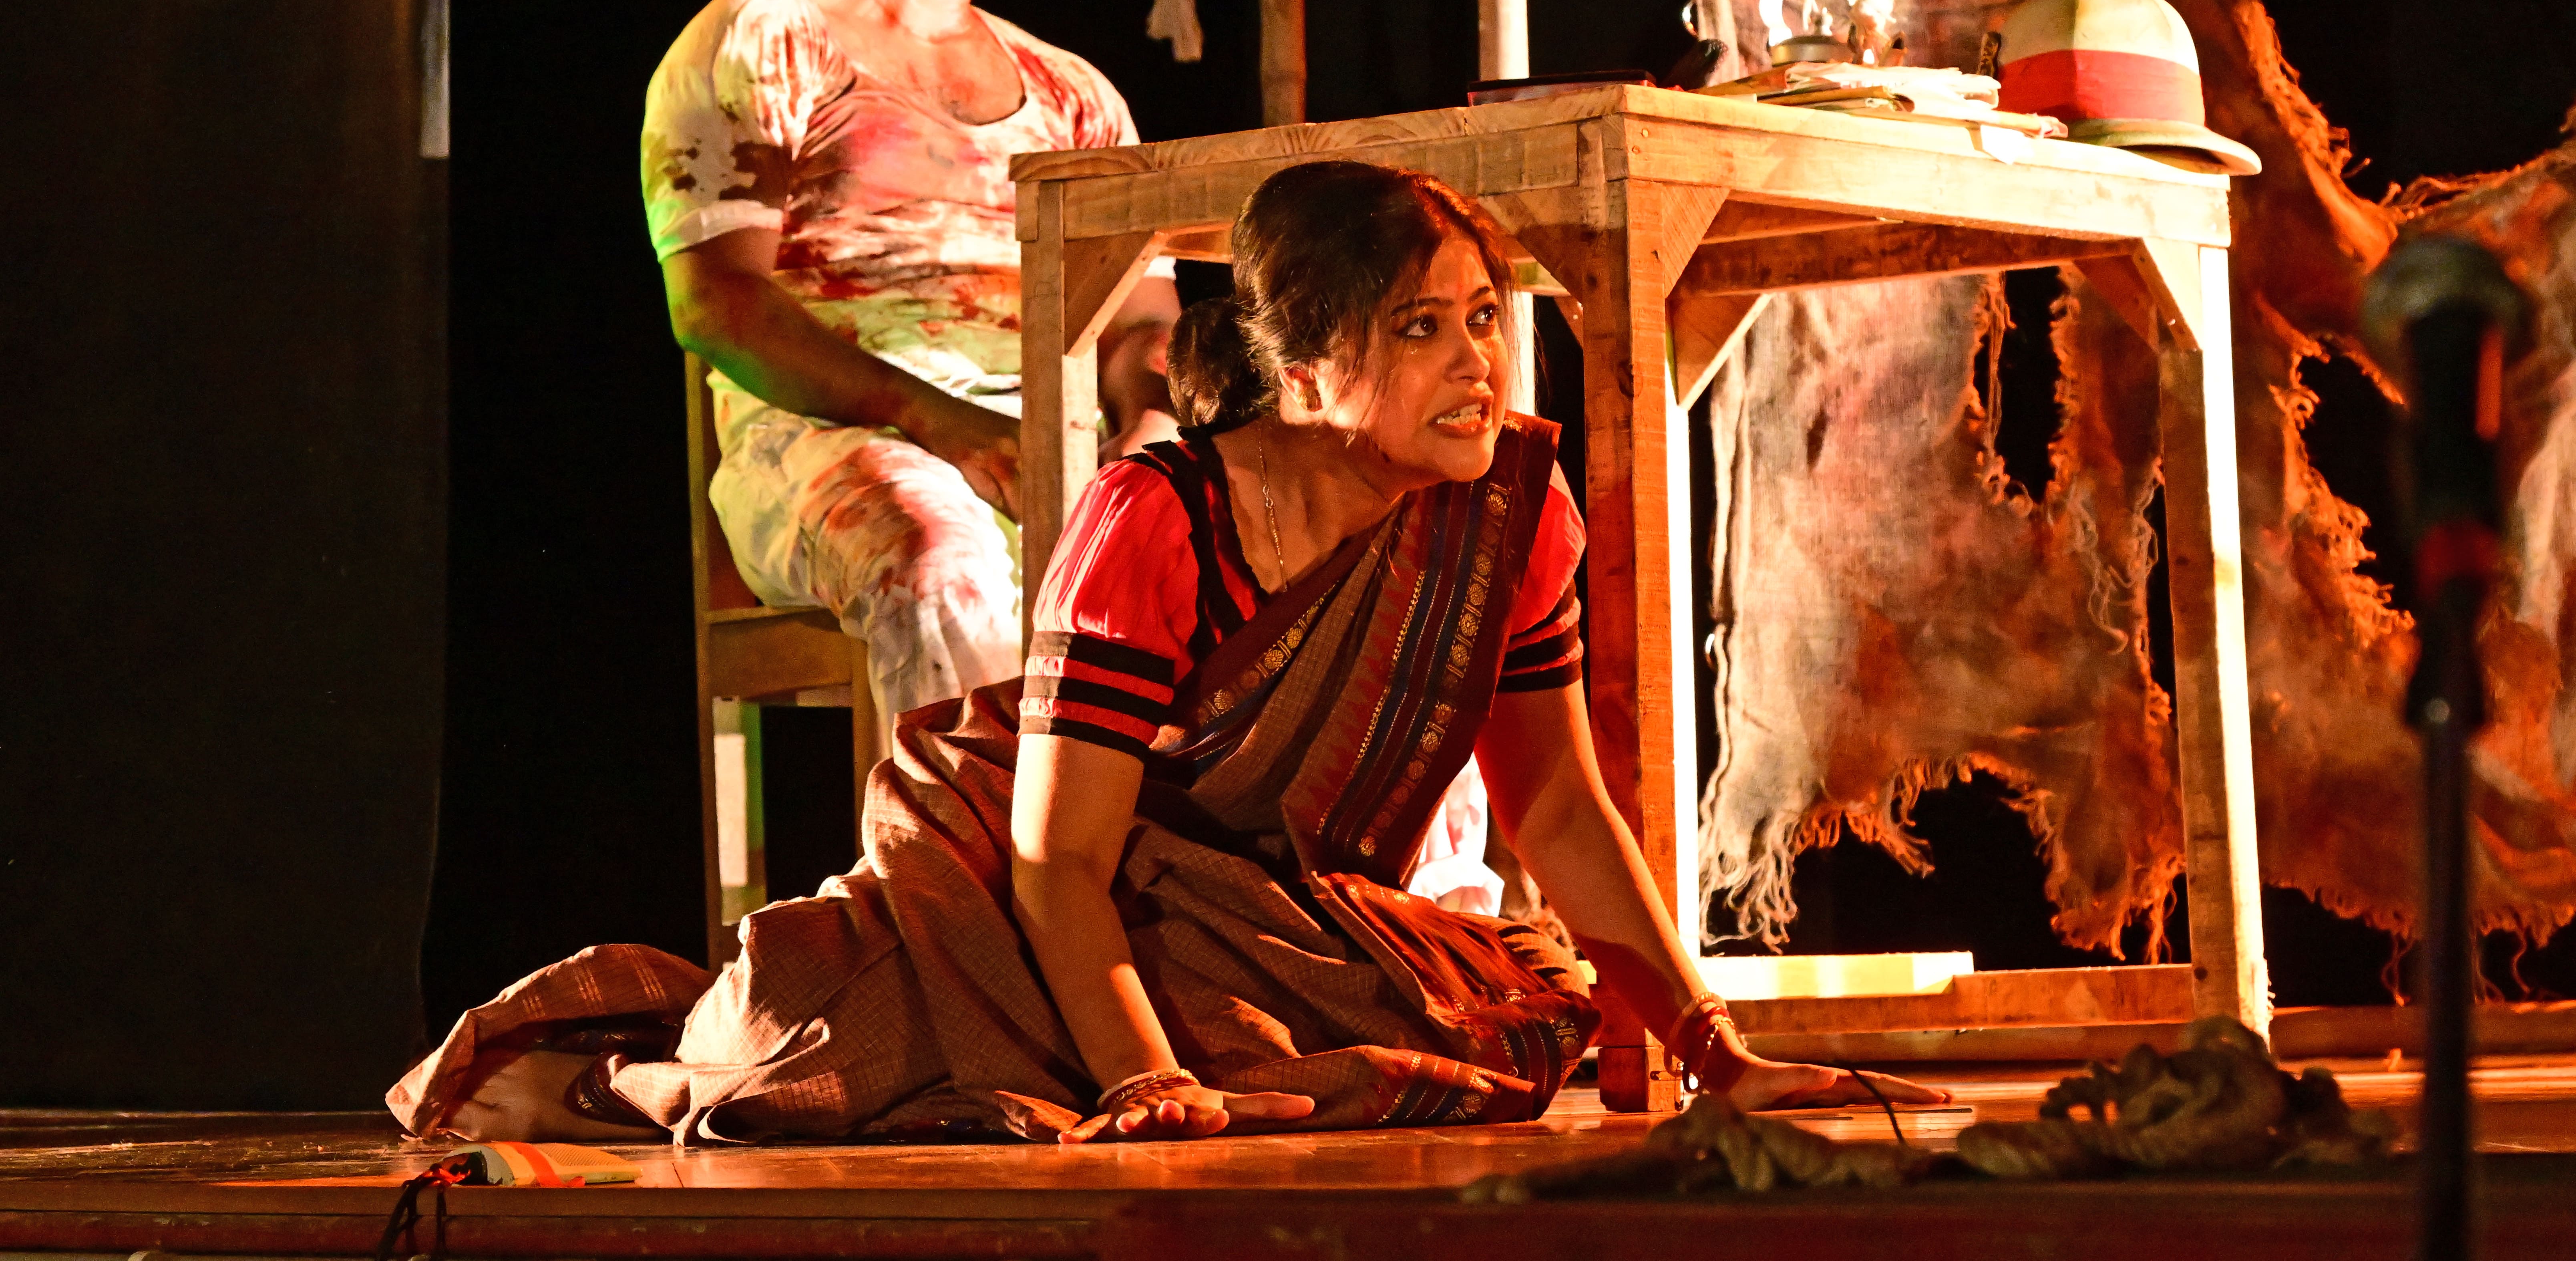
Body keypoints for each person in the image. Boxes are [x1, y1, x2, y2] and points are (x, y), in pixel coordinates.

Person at [391, 161, 1944, 1144]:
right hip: (1026, 877)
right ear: (1308, 365)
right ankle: (598, 1066)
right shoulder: (1160, 515)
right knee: (796, 1068)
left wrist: (1716, 1052)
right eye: (1423, 329)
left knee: (1487, 1026)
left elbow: (1555, 805)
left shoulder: (1511, 512)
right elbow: (1058, 858)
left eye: (1484, 318)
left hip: (1273, 917)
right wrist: (1147, 1081)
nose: (1479, 363)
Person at [645, 0, 1180, 716]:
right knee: (938, 556)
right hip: (823, 442)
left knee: (1280, 562)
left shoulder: (1074, 92)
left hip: (1046, 451)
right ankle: (980, 825)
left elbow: (1142, 319)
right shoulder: (765, 33)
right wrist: (942, 423)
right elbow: (715, 303)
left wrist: (1146, 433)